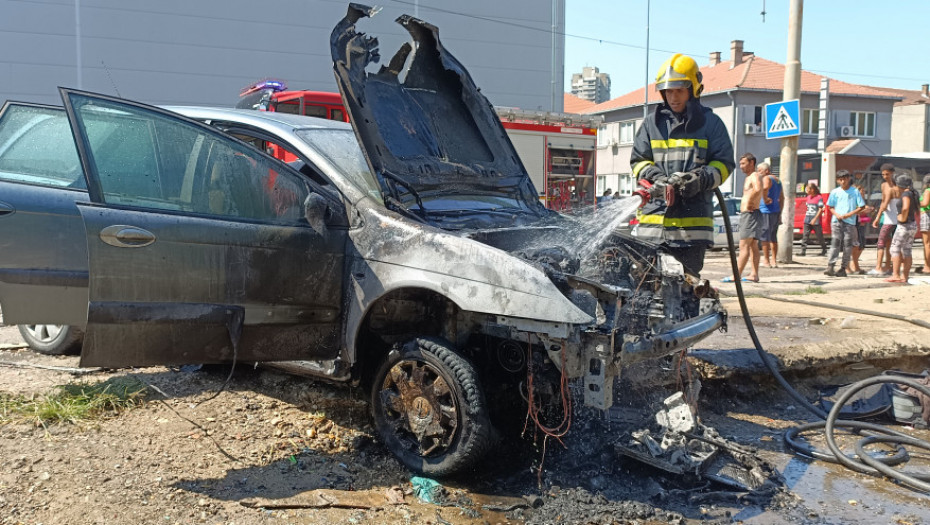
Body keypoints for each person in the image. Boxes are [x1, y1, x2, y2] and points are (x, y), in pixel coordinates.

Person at [631, 53, 735, 276]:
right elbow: (638, 161)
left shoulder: (711, 124)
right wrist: (657, 178)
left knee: (686, 295)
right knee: (643, 295)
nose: (674, 97)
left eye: (679, 90)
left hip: (691, 231)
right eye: (669, 91)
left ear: (694, 89)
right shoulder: (651, 124)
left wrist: (699, 179)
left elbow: (724, 164)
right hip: (652, 228)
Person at [723, 153, 762, 283]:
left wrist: (750, 201)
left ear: (752, 163)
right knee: (753, 246)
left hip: (750, 214)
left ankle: (736, 275)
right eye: (740, 164)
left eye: (743, 163)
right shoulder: (749, 177)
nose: (741, 167)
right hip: (751, 214)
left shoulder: (754, 175)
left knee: (744, 245)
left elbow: (758, 189)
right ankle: (754, 274)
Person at [824, 170, 865, 277]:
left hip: (849, 222)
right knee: (835, 243)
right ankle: (830, 265)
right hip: (837, 220)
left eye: (845, 179)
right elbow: (830, 206)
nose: (843, 182)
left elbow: (861, 206)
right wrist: (837, 214)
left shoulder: (855, 192)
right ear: (838, 181)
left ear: (848, 179)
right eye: (840, 180)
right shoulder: (835, 192)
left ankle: (843, 267)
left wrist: (849, 214)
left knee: (847, 245)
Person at [868, 163, 901, 276]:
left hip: (890, 219)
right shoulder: (884, 186)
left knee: (882, 243)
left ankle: (880, 267)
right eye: (883, 174)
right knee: (888, 243)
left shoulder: (896, 188)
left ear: (892, 173)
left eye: (887, 174)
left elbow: (884, 204)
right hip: (889, 217)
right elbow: (883, 201)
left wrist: (877, 217)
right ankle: (887, 266)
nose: (885, 176)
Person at [887, 174, 918, 283]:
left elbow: (905, 207)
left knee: (894, 249)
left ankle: (895, 274)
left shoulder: (905, 193)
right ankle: (905, 276)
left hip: (904, 226)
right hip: (913, 225)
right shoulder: (914, 193)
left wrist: (902, 217)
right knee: (907, 250)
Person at [758, 163, 784, 267]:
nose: (758, 172)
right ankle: (774, 260)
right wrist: (780, 212)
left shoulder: (766, 178)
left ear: (766, 171)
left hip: (766, 211)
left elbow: (764, 189)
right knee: (773, 237)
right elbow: (782, 197)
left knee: (765, 236)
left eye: (760, 170)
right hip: (776, 211)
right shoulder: (778, 181)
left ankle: (766, 260)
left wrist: (765, 198)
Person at [849, 184, 875, 275]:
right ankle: (854, 265)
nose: (863, 193)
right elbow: (856, 211)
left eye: (864, 191)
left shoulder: (861, 200)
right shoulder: (853, 200)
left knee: (861, 246)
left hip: (861, 224)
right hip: (856, 225)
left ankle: (855, 264)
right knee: (856, 245)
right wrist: (865, 210)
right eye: (861, 191)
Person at [799, 182, 827, 256]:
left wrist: (815, 219)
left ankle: (824, 249)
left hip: (816, 220)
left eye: (808, 189)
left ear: (813, 189)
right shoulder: (808, 197)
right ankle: (803, 251)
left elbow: (820, 209)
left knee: (819, 236)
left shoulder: (819, 198)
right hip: (807, 218)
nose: (807, 190)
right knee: (805, 235)